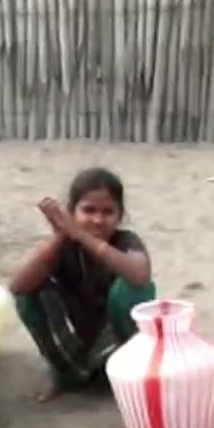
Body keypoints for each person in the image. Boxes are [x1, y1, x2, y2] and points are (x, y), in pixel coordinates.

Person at [8, 167, 155, 402]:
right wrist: (61, 236)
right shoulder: (64, 244)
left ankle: (130, 373)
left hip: (115, 341)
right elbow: (17, 287)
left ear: (120, 216)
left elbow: (140, 276)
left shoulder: (125, 240)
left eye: (108, 212)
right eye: (88, 210)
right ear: (71, 212)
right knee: (30, 294)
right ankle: (63, 372)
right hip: (78, 337)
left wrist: (82, 235)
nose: (97, 220)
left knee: (131, 289)